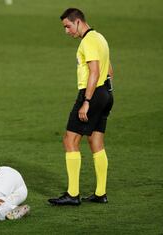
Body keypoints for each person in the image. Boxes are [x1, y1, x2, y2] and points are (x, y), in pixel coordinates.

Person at [48, 8, 114, 206]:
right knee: (96, 142)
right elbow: (109, 69)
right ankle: (100, 193)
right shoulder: (100, 38)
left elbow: (94, 71)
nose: (66, 31)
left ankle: (73, 194)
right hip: (106, 93)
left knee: (70, 140)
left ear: (78, 22)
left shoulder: (89, 41)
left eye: (68, 26)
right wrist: (106, 95)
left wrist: (87, 101)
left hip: (91, 94)